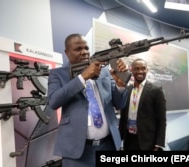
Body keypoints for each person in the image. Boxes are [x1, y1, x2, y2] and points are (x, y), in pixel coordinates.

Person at [47, 33, 129, 167]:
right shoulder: (57, 74)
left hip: (108, 145)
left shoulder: (104, 72)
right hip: (77, 152)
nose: (84, 52)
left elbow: (119, 103)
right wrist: (82, 77)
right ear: (67, 52)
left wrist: (120, 86)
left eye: (86, 48)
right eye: (78, 49)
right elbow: (53, 101)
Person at [119, 58, 166, 151]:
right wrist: (119, 139)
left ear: (147, 70)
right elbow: (123, 116)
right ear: (131, 70)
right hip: (129, 139)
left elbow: (161, 119)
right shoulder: (127, 90)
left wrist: (158, 144)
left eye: (143, 68)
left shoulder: (156, 90)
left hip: (147, 141)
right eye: (136, 68)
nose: (140, 71)